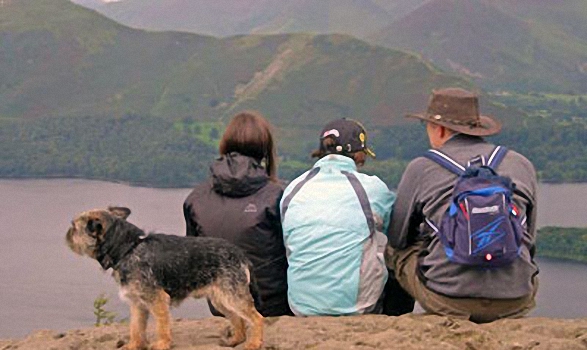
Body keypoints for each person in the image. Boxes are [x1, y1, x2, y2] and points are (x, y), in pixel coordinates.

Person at [387, 88, 539, 323]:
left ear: (440, 129)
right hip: (515, 299)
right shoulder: (520, 164)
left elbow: (398, 238)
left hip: (448, 300)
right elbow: (528, 238)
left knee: (394, 253)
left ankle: (394, 321)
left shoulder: (422, 167)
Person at [280, 118, 397, 316]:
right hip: (358, 307)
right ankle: (396, 318)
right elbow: (395, 233)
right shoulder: (373, 189)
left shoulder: (292, 189)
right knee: (391, 249)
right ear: (358, 156)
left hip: (301, 307)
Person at [183, 111, 291, 317]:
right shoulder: (278, 195)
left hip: (222, 307)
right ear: (264, 149)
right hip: (271, 306)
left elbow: (193, 258)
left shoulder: (195, 199)